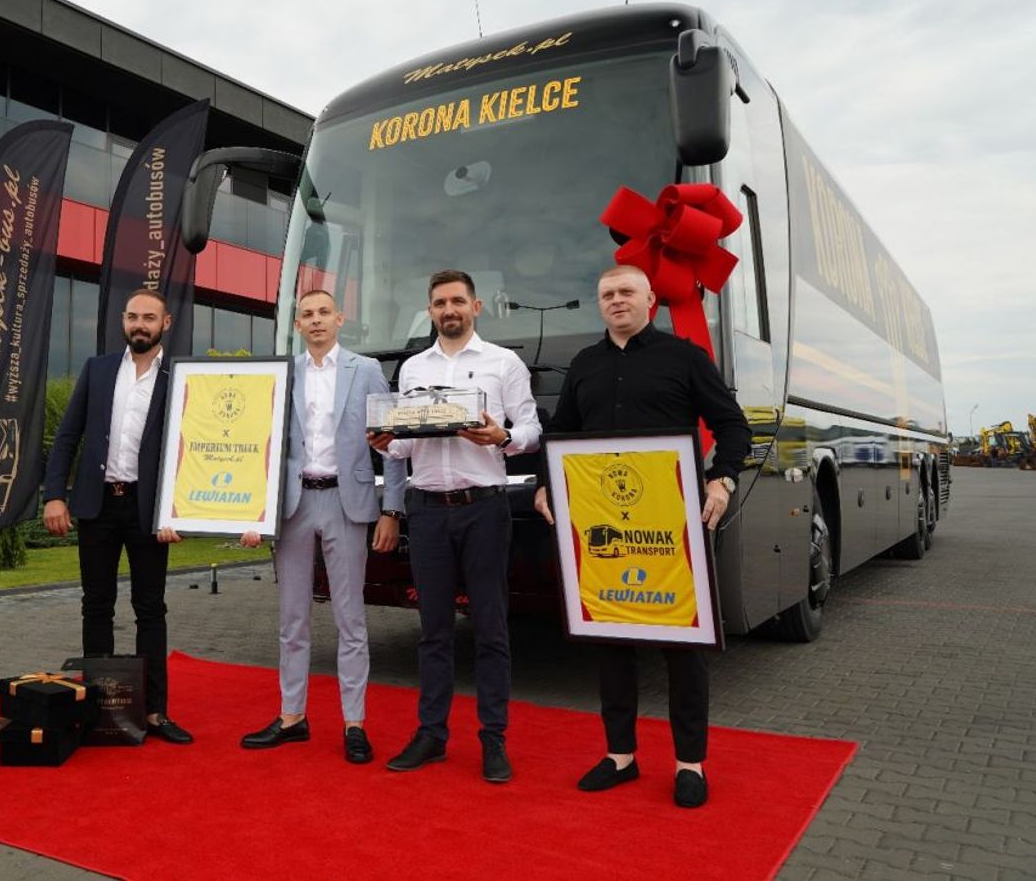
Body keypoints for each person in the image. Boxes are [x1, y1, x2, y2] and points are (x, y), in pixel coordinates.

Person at [533, 264, 750, 808]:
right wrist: (545, 483)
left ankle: (689, 763)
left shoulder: (685, 358)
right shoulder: (585, 364)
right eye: (607, 294)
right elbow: (561, 432)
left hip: (673, 524)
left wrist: (722, 479)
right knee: (610, 640)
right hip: (603, 525)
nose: (616, 300)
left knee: (684, 647)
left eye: (626, 291)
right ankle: (620, 756)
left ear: (650, 298)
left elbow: (733, 425)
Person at [369, 270, 540, 783]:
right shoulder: (413, 368)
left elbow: (531, 429)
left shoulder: (503, 363)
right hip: (427, 511)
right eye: (440, 302)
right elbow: (407, 441)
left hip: (483, 508)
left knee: (490, 627)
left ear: (476, 307)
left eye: (458, 301)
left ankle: (494, 738)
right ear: (430, 310)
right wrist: (386, 443)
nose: (449, 310)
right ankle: (432, 734)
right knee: (433, 631)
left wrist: (502, 436)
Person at [236, 289, 407, 764]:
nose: (316, 320)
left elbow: (392, 442)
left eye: (323, 313)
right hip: (292, 505)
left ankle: (354, 723)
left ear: (340, 319)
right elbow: (258, 442)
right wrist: (252, 512)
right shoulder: (283, 373)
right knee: (292, 620)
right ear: (297, 325)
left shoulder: (365, 370)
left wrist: (392, 509)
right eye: (307, 314)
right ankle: (292, 716)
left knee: (350, 619)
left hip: (346, 502)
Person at [43, 288, 193, 744]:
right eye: (132, 317)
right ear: (123, 321)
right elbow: (67, 437)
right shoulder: (99, 369)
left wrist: (179, 511)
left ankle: (155, 712)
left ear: (165, 323)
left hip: (149, 511)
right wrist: (55, 496)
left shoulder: (181, 377)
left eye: (149, 317)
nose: (139, 325)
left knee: (150, 608)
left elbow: (191, 449)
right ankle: (97, 710)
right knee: (96, 605)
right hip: (98, 505)